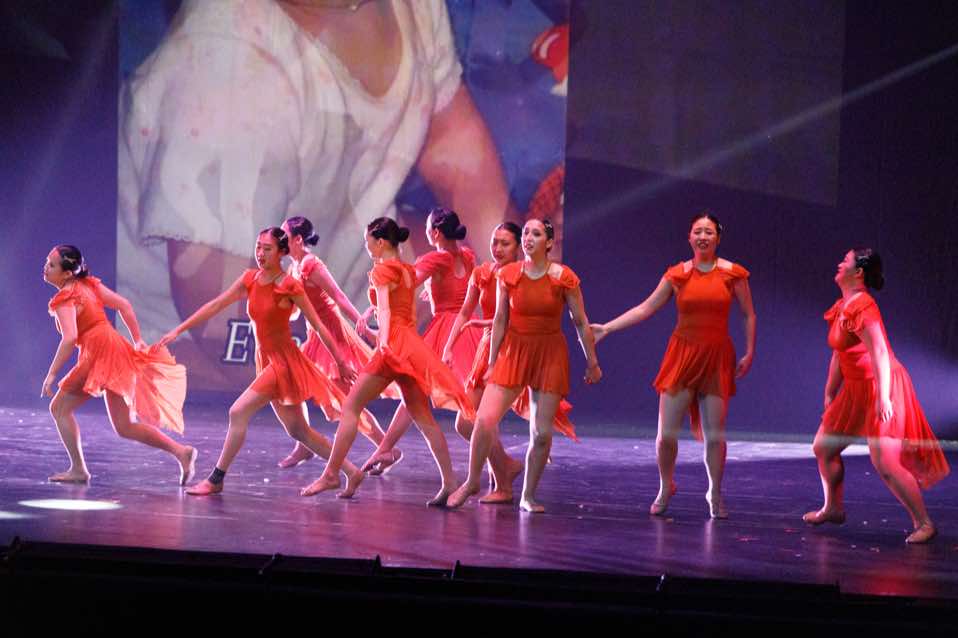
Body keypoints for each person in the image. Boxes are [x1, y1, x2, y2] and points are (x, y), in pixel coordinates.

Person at [118, 0, 516, 371]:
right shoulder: (229, 70)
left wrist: (512, 282)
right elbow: (222, 320)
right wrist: (358, 366)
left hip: (341, 262)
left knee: (486, 279)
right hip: (190, 341)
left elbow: (456, 154)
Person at [155, 228, 366, 497]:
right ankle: (351, 471)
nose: (260, 254)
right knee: (298, 430)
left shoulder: (289, 286)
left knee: (237, 412)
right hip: (265, 360)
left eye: (267, 249)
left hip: (282, 363)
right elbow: (215, 305)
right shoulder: (250, 279)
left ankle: (216, 479)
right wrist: (178, 330)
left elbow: (319, 326)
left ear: (282, 252)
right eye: (258, 247)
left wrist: (340, 361)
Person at [590, 213, 756, 519]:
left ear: (718, 238)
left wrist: (749, 351)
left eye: (709, 232)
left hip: (716, 358)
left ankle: (715, 491)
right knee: (666, 435)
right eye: (697, 231)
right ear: (689, 237)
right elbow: (646, 307)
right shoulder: (677, 274)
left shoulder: (733, 273)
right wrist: (607, 328)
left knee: (715, 435)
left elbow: (748, 314)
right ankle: (666, 485)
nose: (703, 236)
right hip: (681, 357)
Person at [300, 217, 475, 505]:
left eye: (368, 241)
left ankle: (332, 474)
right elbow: (399, 310)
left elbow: (385, 310)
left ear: (380, 242)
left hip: (392, 347)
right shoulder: (406, 270)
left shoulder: (382, 270)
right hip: (411, 346)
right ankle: (449, 482)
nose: (367, 247)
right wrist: (376, 324)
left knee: (351, 407)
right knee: (424, 418)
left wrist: (381, 342)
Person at [447, 219, 601, 513]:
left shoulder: (563, 277)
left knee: (540, 434)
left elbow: (580, 322)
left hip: (548, 355)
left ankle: (528, 495)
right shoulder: (508, 275)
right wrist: (491, 362)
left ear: (549, 243)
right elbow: (500, 320)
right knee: (483, 420)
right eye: (527, 232)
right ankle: (471, 481)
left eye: (536, 234)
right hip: (514, 352)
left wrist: (592, 362)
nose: (529, 237)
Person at [802, 249, 949, 544]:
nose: (839, 263)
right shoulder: (842, 306)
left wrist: (884, 397)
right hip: (856, 388)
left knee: (885, 461)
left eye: (845, 261)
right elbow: (839, 353)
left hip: (883, 384)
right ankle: (833, 508)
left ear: (858, 273)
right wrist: (830, 390)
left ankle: (924, 523)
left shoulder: (863, 305)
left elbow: (880, 351)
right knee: (824, 447)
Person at [42, 245, 195, 484]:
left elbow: (70, 338)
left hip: (98, 353)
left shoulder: (65, 298)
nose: (45, 267)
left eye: (51, 265)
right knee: (124, 426)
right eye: (47, 262)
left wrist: (52, 373)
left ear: (67, 273)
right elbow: (124, 304)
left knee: (59, 408)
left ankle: (79, 470)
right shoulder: (87, 285)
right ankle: (181, 452)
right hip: (114, 347)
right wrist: (137, 339)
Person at [359, 207, 482, 474]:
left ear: (435, 232)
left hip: (446, 330)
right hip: (469, 329)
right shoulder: (466, 256)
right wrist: (435, 290)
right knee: (427, 397)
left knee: (417, 394)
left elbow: (402, 282)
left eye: (427, 228)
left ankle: (384, 450)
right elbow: (461, 289)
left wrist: (373, 306)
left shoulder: (437, 258)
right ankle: (385, 450)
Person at [276, 215, 399, 472]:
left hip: (331, 336)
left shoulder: (310, 265)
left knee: (345, 402)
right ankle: (304, 444)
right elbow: (296, 309)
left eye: (285, 235)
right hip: (316, 337)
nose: (281, 240)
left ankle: (386, 448)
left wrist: (363, 326)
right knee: (299, 388)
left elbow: (338, 297)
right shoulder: (294, 268)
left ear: (297, 239)